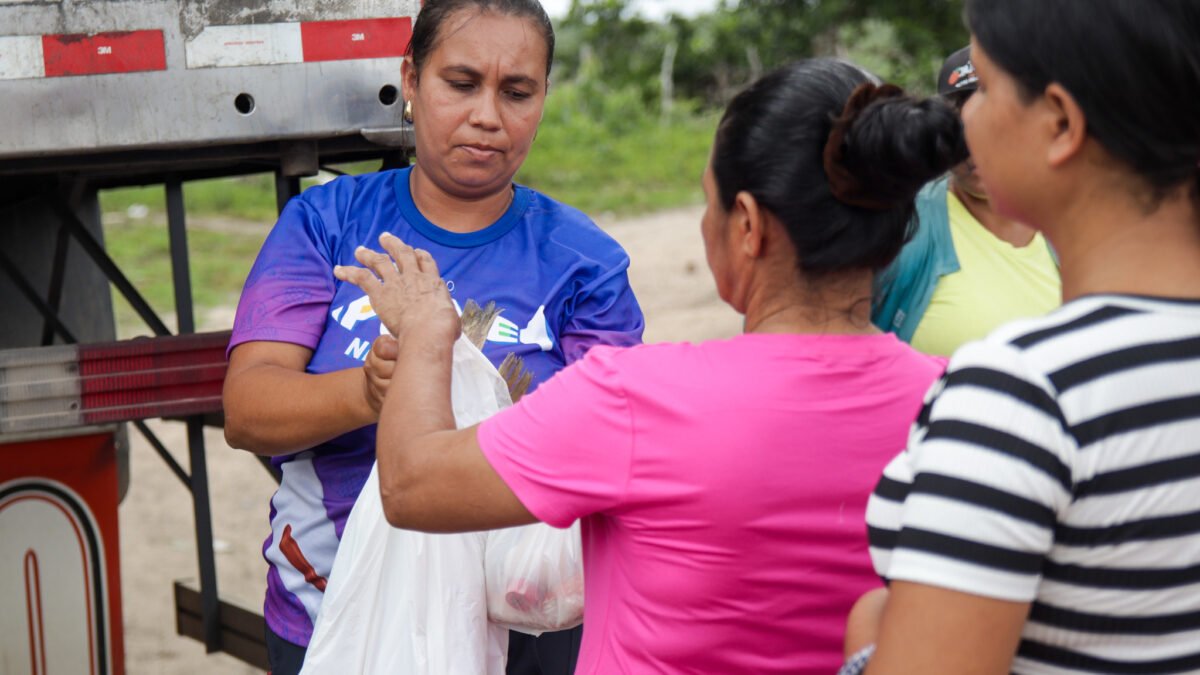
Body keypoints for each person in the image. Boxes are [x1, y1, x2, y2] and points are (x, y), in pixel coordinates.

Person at [333, 58, 967, 673]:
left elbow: (413, 487)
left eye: (709, 202)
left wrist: (423, 332)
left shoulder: (637, 398)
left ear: (747, 225)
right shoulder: (959, 403)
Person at [221, 1, 644, 673]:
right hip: (329, 617)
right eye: (461, 81)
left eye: (516, 91)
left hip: (523, 628)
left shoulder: (584, 261)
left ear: (542, 98)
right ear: (411, 81)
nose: (487, 115)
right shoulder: (326, 225)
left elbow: (616, 452)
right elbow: (247, 412)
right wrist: (373, 389)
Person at [842, 1, 1200, 673]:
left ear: (1060, 123)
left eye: (988, 87)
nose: (962, 123)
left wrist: (866, 645)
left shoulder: (1022, 394)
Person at [872, 45, 1061, 356]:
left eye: (994, 128)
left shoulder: (1068, 229)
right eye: (959, 133)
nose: (975, 150)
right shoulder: (906, 228)